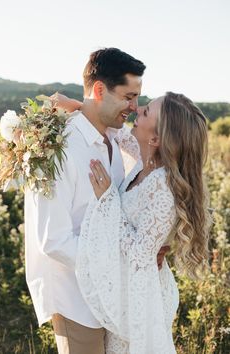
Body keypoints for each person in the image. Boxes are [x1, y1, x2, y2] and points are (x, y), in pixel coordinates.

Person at [24, 47, 168, 354]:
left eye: (138, 98)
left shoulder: (115, 140)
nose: (134, 106)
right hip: (76, 300)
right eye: (128, 97)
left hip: (113, 299)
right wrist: (120, 267)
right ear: (100, 90)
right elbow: (54, 239)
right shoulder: (60, 147)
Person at [71, 92, 210, 353]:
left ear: (156, 139)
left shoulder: (162, 187)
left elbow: (138, 254)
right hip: (126, 290)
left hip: (140, 301)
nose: (137, 112)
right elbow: (115, 128)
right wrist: (80, 106)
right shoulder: (143, 160)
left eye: (145, 112)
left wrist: (109, 201)